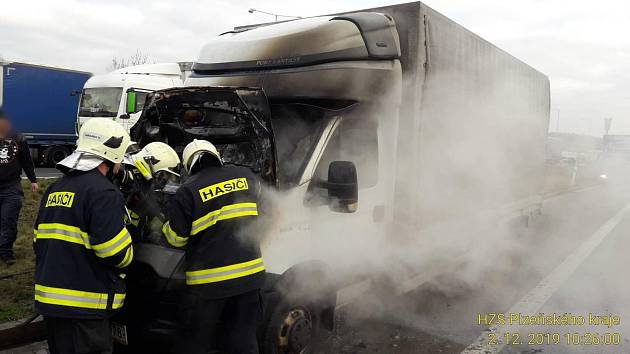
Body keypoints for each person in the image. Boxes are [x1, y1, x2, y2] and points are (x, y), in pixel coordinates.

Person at [33, 118, 133, 354]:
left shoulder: (55, 189)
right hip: (86, 306)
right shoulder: (104, 192)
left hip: (51, 303)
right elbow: (114, 252)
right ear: (112, 151)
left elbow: (38, 242)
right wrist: (130, 249)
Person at [163, 139, 265, 354]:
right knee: (244, 340)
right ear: (216, 155)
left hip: (209, 284)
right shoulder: (246, 176)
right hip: (250, 276)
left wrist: (163, 226)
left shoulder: (187, 190)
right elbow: (261, 212)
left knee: (195, 343)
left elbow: (176, 240)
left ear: (188, 165)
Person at [119, 142, 181, 240]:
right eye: (163, 174)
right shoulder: (124, 177)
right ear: (150, 163)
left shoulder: (144, 179)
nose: (164, 179)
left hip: (135, 233)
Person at [0, 108, 38, 265]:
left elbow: (27, 161)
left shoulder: (19, 138)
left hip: (11, 188)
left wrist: (33, 180)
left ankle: (6, 252)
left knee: (8, 220)